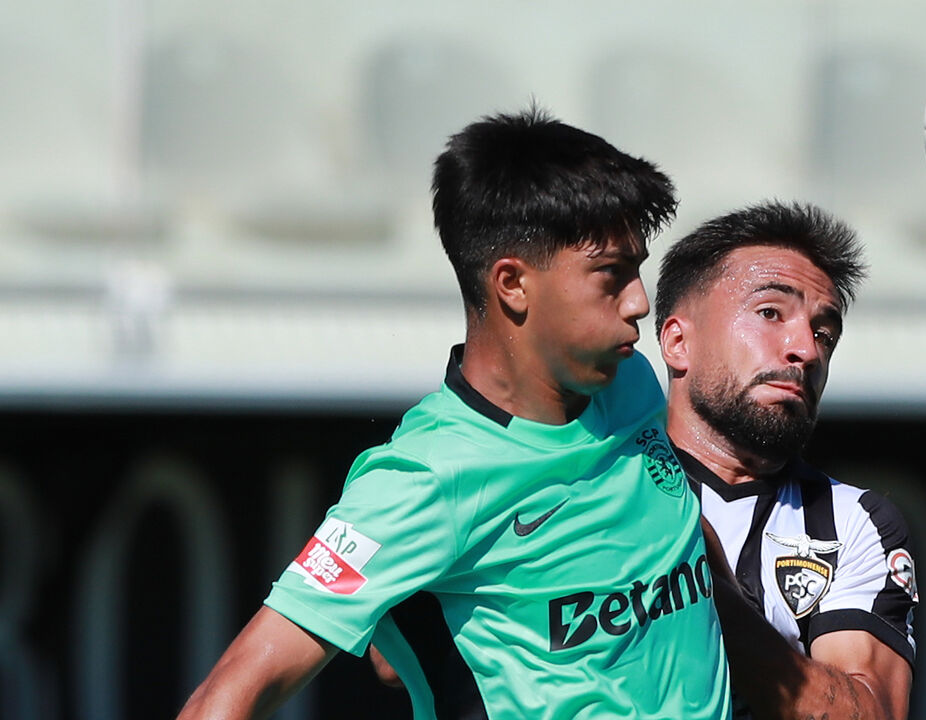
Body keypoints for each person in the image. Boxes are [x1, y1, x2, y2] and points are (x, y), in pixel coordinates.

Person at [177, 108, 733, 720]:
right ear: (512, 284)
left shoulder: (631, 380)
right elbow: (228, 696)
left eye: (639, 268)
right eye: (612, 274)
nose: (640, 301)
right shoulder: (424, 479)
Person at [654, 202, 918, 720]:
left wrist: (699, 585)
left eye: (824, 332)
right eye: (770, 313)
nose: (806, 350)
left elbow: (871, 714)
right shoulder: (593, 490)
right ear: (678, 342)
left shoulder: (854, 523)